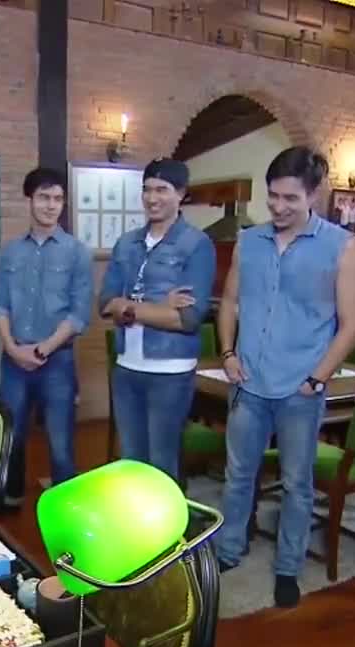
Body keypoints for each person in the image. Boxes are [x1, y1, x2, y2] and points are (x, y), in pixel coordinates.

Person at [213, 146, 355, 608]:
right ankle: (229, 549)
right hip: (249, 383)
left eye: (290, 199)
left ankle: (287, 569)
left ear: (314, 195)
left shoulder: (342, 246)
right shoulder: (249, 241)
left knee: (298, 484)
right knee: (238, 474)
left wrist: (317, 379)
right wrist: (227, 353)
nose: (278, 207)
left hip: (300, 388)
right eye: (273, 196)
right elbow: (229, 302)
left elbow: (352, 323)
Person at [97, 158, 215, 487]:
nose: (152, 198)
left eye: (162, 190)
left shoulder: (197, 245)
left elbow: (188, 319)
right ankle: (136, 519)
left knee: (162, 463)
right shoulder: (126, 243)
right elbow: (104, 304)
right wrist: (159, 306)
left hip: (170, 372)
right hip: (126, 367)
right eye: (147, 190)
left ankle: (171, 521)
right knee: (131, 461)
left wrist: (129, 307)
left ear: (181, 194)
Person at [0, 167, 93, 507]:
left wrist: (42, 349)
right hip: (13, 360)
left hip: (57, 361)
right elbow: (0, 304)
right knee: (11, 437)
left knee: (61, 443)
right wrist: (11, 347)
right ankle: (11, 503)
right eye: (44, 197)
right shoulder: (10, 252)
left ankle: (65, 509)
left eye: (58, 199)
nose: (51, 205)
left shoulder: (77, 252)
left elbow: (79, 314)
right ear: (30, 200)